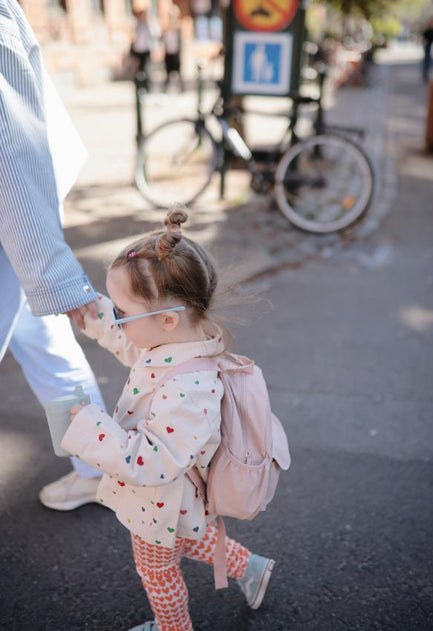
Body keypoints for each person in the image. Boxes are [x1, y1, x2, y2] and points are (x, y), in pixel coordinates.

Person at [62, 208, 275, 631]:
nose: (116, 318)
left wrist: (91, 428)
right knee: (184, 539)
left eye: (121, 311)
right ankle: (250, 567)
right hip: (175, 501)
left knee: (157, 572)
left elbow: (153, 461)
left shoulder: (190, 389)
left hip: (160, 498)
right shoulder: (178, 343)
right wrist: (96, 315)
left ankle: (174, 628)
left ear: (167, 320)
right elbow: (134, 346)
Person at [0, 0, 105, 508]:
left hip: (13, 227)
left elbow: (10, 155)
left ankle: (98, 467)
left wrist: (57, 279)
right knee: (47, 346)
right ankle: (97, 467)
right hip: (15, 231)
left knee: (49, 344)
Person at [130, 7, 161, 90]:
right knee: (139, 70)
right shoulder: (137, 24)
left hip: (146, 50)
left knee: (147, 69)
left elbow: (156, 34)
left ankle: (146, 86)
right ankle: (139, 86)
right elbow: (133, 36)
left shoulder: (150, 24)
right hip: (138, 50)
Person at [162, 3, 184, 93]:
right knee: (168, 73)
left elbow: (181, 42)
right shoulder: (166, 27)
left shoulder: (179, 27)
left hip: (176, 53)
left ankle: (180, 89)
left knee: (178, 73)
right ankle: (166, 90)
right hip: (168, 52)